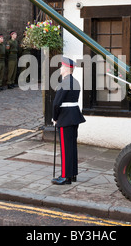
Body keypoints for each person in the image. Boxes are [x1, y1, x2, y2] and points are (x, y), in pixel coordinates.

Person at [51, 57, 86, 185]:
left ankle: (65, 176)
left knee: (65, 149)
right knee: (72, 147)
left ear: (66, 68)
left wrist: (55, 117)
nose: (60, 68)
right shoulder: (75, 82)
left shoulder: (64, 82)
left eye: (62, 66)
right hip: (74, 116)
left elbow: (56, 103)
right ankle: (73, 174)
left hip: (65, 117)